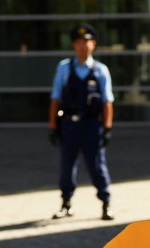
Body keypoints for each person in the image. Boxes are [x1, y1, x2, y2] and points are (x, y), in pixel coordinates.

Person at [47, 23, 115, 221]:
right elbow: (55, 98)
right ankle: (66, 203)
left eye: (87, 42)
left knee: (97, 165)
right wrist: (52, 126)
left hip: (92, 125)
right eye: (79, 42)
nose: (83, 46)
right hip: (69, 125)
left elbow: (107, 101)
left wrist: (108, 127)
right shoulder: (64, 68)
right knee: (67, 165)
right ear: (74, 45)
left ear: (93, 44)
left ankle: (106, 203)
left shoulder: (101, 70)